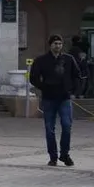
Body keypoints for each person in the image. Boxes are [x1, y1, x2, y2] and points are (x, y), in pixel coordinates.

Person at [28, 34, 81, 167]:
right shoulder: (41, 60)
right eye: (55, 43)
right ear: (50, 45)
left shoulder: (68, 59)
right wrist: (44, 87)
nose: (57, 46)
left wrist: (73, 91)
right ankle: (53, 156)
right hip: (49, 98)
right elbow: (33, 77)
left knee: (67, 126)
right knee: (49, 128)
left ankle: (65, 154)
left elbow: (77, 75)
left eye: (60, 44)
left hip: (64, 98)